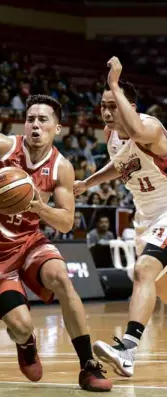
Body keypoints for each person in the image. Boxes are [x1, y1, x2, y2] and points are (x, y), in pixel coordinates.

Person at [0, 94, 112, 392]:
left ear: (57, 128)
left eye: (43, 120)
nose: (35, 125)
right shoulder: (3, 146)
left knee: (60, 277)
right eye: (30, 118)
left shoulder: (62, 167)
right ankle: (27, 341)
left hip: (30, 242)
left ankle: (87, 365)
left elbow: (66, 222)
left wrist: (39, 207)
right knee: (20, 327)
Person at [73, 56, 167, 378]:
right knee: (162, 289)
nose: (108, 112)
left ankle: (127, 349)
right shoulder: (111, 136)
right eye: (103, 106)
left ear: (131, 105)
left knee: (142, 271)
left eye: (114, 105)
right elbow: (120, 163)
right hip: (146, 218)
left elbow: (138, 133)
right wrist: (88, 182)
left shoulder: (150, 127)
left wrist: (114, 82)